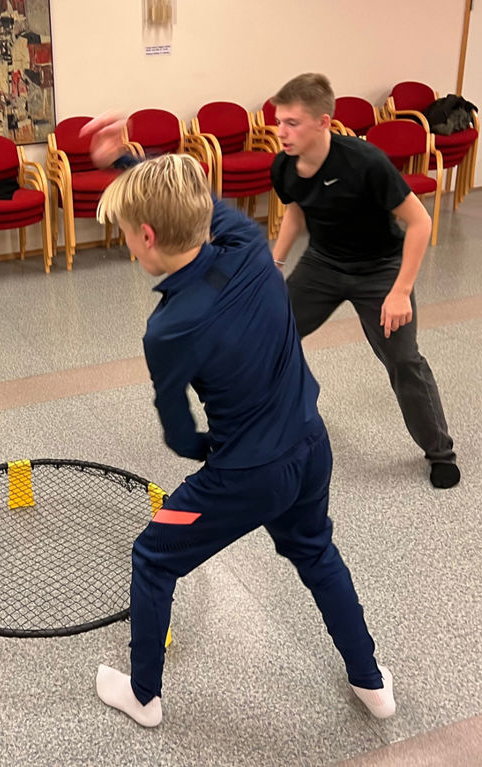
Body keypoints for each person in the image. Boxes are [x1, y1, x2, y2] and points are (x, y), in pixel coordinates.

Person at [79, 117, 394, 728]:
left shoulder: (168, 329)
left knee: (151, 557)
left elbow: (177, 431)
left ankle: (143, 696)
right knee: (316, 552)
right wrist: (130, 162)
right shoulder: (247, 242)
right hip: (310, 441)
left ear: (146, 237)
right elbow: (189, 201)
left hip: (247, 473)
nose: (126, 243)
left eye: (125, 234)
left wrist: (210, 452)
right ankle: (372, 682)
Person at [270, 73, 459, 489]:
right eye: (279, 121)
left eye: (292, 123)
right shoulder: (284, 163)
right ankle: (296, 411)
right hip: (323, 264)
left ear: (323, 122)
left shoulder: (365, 162)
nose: (281, 132)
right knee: (270, 338)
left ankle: (440, 451)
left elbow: (419, 222)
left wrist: (401, 291)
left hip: (380, 269)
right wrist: (277, 260)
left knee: (404, 360)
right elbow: (298, 210)